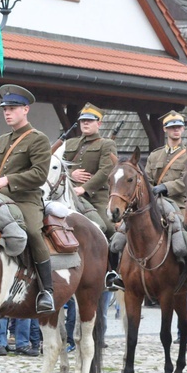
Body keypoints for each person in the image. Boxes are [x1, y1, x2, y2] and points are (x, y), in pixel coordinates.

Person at [0, 84, 55, 314]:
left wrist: (9, 180)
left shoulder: (38, 139)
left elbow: (40, 175)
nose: (7, 113)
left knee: (32, 231)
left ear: (26, 109)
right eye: (5, 109)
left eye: (12, 108)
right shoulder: (2, 140)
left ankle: (46, 291)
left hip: (26, 199)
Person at [145, 111, 187, 351]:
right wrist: (150, 189)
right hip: (154, 202)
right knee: (126, 229)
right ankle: (119, 274)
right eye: (171, 127)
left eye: (179, 127)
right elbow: (146, 177)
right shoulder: (156, 155)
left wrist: (164, 187)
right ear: (166, 130)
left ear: (183, 130)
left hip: (180, 204)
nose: (175, 131)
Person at [64, 102, 117, 339]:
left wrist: (83, 188)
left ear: (99, 123)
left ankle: (111, 272)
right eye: (83, 120)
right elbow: (55, 167)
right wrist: (70, 175)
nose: (85, 124)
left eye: (90, 120)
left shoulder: (107, 144)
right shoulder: (70, 144)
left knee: (105, 227)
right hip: (67, 196)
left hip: (95, 199)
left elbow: (106, 172)